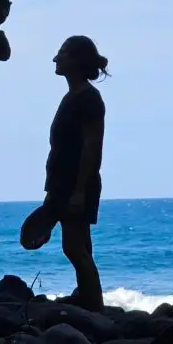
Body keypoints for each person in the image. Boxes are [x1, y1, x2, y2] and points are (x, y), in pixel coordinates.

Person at [43, 35, 108, 312]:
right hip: (62, 183)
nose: (56, 58)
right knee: (80, 245)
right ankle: (87, 297)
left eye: (62, 53)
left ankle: (94, 306)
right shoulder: (72, 97)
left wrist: (80, 191)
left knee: (74, 246)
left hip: (76, 184)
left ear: (77, 60)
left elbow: (92, 146)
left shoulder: (88, 98)